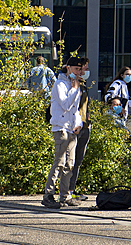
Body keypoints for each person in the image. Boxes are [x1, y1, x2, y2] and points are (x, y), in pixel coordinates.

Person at [42, 58, 83, 209]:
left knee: (70, 164)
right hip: (60, 128)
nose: (79, 72)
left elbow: (75, 109)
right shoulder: (60, 84)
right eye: (76, 69)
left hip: (71, 129)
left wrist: (79, 124)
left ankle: (65, 196)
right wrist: (74, 88)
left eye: (80, 70)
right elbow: (65, 105)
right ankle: (48, 194)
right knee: (59, 162)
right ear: (68, 68)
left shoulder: (75, 86)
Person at [65, 58, 91, 201]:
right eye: (81, 69)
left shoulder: (83, 85)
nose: (84, 72)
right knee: (69, 160)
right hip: (74, 127)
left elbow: (85, 107)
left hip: (84, 126)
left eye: (85, 69)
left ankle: (71, 188)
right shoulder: (69, 84)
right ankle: (65, 191)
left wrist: (88, 122)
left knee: (78, 160)